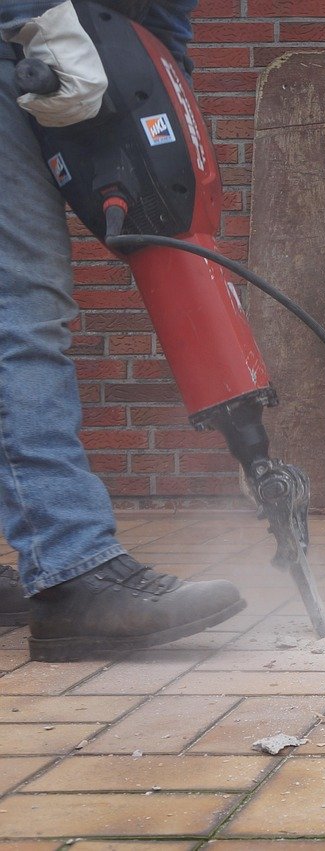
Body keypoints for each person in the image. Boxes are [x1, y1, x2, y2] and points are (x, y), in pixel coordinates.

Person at [0, 0, 244, 661]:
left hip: (45, 44)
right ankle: (72, 569)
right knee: (20, 308)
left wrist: (163, 66)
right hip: (26, 36)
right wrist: (35, 16)